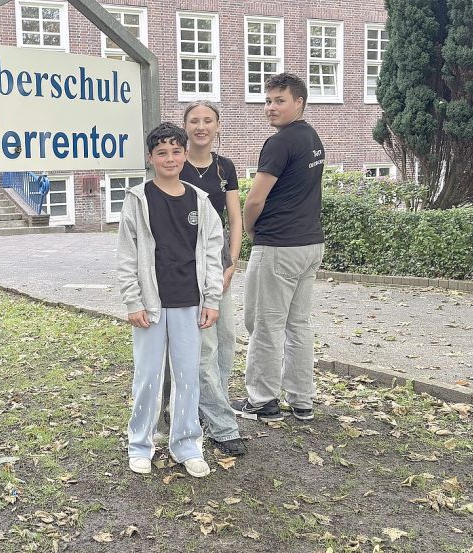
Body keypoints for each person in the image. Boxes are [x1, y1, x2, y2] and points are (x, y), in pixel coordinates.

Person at [117, 122, 224, 478]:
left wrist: (213, 299)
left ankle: (186, 443)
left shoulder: (201, 200)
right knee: (147, 375)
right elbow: (128, 255)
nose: (170, 158)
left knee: (187, 375)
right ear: (150, 158)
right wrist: (133, 301)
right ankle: (140, 444)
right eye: (162, 152)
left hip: (190, 302)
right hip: (151, 304)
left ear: (184, 154)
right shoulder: (137, 199)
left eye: (176, 151)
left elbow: (212, 253)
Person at [232, 72, 326, 423]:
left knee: (264, 324)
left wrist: (251, 228)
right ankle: (302, 401)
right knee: (298, 325)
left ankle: (263, 401)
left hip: (279, 246)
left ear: (299, 102)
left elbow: (255, 198)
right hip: (310, 244)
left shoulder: (280, 142)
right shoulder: (312, 137)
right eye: (268, 101)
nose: (270, 107)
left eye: (279, 100)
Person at [179, 100, 246, 456]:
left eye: (208, 120)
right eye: (194, 121)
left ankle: (210, 407)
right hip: (191, 270)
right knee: (204, 347)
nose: (201, 126)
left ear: (218, 126)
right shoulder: (177, 164)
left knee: (226, 341)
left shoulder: (225, 167)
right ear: (185, 126)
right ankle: (222, 425)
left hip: (221, 268)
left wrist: (232, 261)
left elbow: (234, 219)